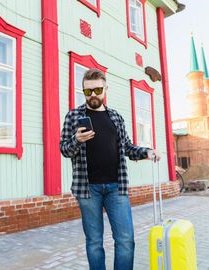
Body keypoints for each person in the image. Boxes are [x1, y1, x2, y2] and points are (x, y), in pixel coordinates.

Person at [60, 68, 161, 270]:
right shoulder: (73, 116)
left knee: (125, 240)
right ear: (83, 91)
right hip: (87, 190)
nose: (93, 95)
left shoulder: (116, 117)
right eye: (88, 91)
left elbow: (128, 147)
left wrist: (147, 152)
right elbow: (64, 149)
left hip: (117, 187)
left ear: (106, 88)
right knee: (94, 242)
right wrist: (76, 140)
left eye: (98, 89)